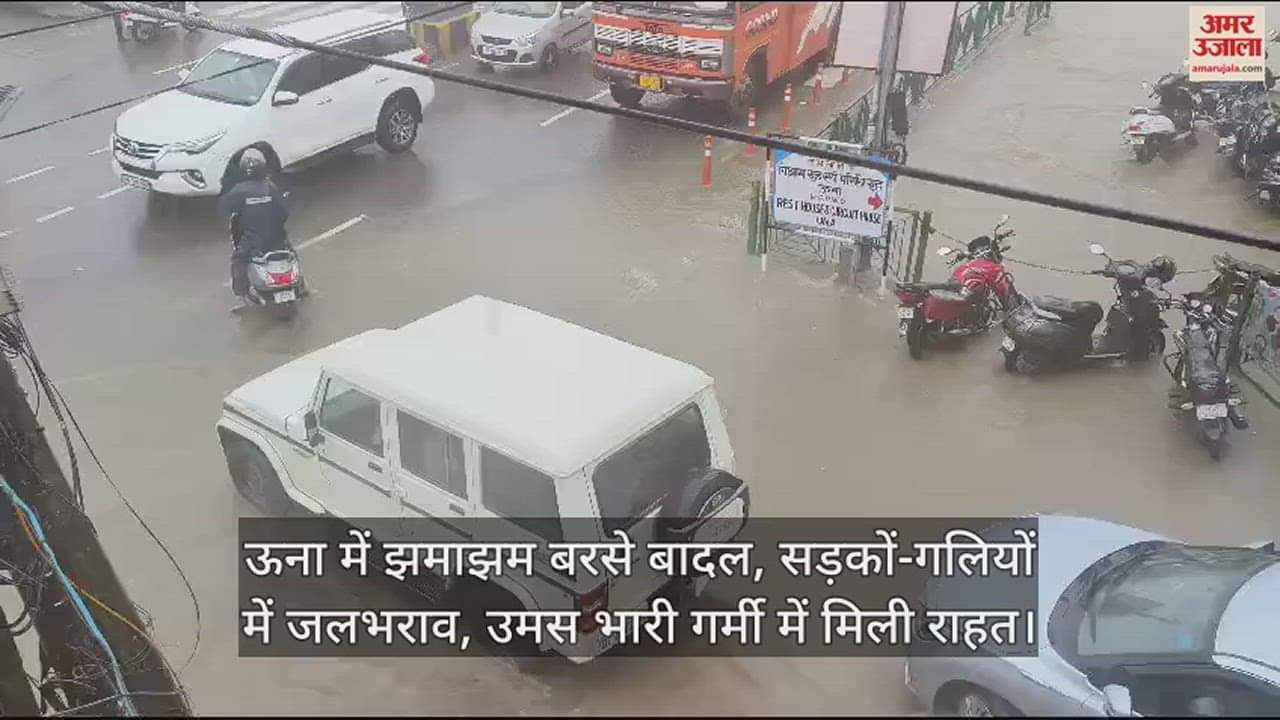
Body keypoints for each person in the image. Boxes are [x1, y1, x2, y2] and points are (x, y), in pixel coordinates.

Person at [218, 149, 290, 312]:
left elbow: (225, 208)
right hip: (276, 238)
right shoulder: (270, 187)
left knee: (238, 261)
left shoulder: (238, 190)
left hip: (252, 241)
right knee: (290, 251)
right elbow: (284, 212)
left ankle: (244, 296)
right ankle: (302, 286)